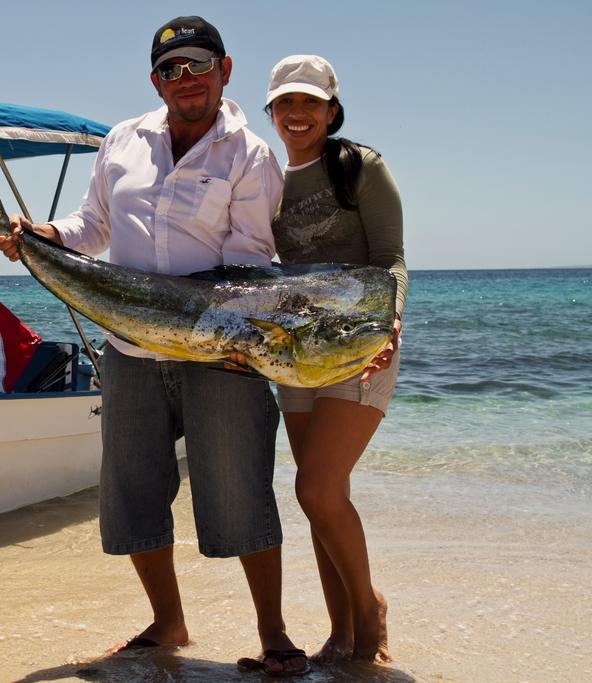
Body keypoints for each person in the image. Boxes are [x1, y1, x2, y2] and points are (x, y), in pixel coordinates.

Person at [0, 16, 309, 678]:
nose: (185, 80)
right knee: (135, 492)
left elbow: (247, 264)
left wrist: (211, 329)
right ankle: (169, 622)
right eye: (171, 70)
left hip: (221, 352)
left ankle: (274, 633)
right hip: (129, 350)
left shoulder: (250, 156)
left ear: (226, 71)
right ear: (155, 82)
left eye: (198, 66)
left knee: (240, 488)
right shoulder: (122, 140)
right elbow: (92, 228)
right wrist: (36, 232)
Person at [248, 54, 408, 664]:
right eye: (286, 103)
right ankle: (338, 634)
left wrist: (390, 325)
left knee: (315, 487)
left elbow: (391, 257)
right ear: (271, 111)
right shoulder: (265, 179)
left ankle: (369, 616)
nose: (297, 113)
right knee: (321, 492)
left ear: (331, 110)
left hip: (363, 345)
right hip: (296, 354)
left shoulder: (359, 167)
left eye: (310, 102)